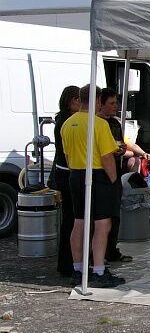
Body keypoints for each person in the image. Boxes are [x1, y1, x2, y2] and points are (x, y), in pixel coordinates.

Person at [61, 84, 125, 288]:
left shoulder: (67, 124)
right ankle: (98, 270)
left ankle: (78, 268)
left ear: (80, 99)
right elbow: (107, 157)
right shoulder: (98, 124)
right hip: (97, 175)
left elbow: (68, 157)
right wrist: (113, 180)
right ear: (97, 100)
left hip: (76, 174)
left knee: (79, 222)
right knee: (102, 224)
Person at [97, 88, 135, 264]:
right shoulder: (97, 123)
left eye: (116, 103)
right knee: (100, 219)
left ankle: (111, 250)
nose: (115, 107)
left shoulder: (114, 123)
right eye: (111, 103)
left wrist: (121, 150)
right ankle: (97, 255)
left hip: (115, 172)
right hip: (102, 175)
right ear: (100, 104)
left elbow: (121, 145)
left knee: (114, 216)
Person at [52, 85, 80, 277]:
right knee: (71, 219)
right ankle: (68, 262)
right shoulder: (67, 121)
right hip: (66, 172)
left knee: (70, 219)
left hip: (63, 172)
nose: (79, 103)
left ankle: (67, 262)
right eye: (77, 99)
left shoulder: (62, 119)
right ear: (70, 101)